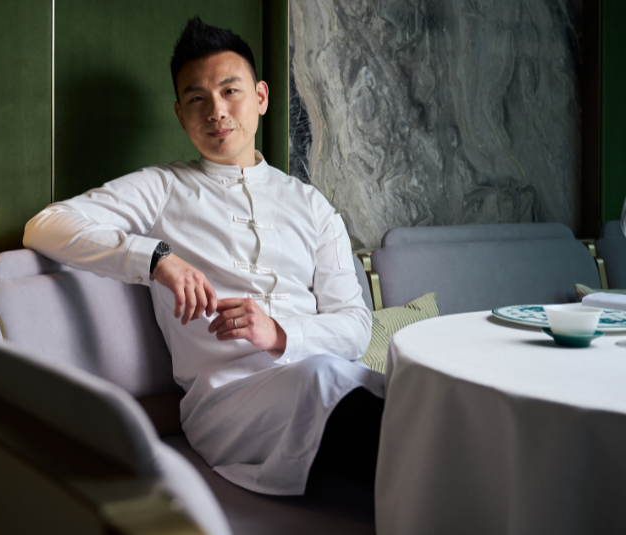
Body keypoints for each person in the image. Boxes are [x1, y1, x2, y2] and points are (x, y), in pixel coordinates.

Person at [23, 16, 384, 496]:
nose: (216, 111)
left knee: (411, 397)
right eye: (197, 99)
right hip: (227, 401)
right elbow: (45, 225)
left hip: (325, 375)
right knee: (331, 388)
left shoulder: (311, 204)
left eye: (230, 91)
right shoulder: (162, 187)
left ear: (261, 97)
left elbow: (356, 326)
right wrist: (155, 258)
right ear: (180, 114)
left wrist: (280, 333)